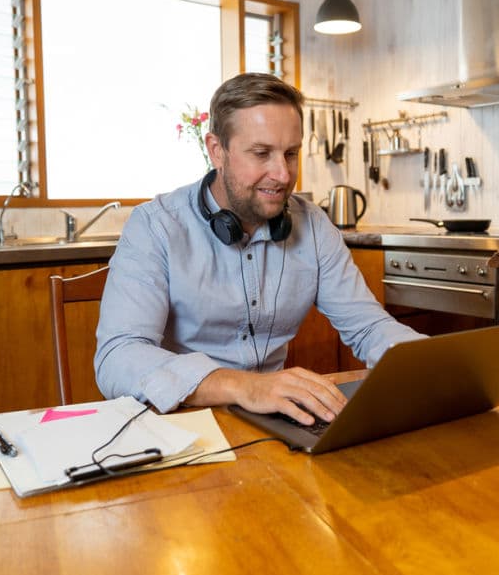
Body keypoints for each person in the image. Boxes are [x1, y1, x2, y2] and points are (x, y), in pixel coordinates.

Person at [95, 73, 423, 425]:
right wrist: (245, 387)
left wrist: (430, 362)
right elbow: (118, 356)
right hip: (181, 423)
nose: (282, 175)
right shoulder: (155, 226)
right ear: (216, 150)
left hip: (276, 423)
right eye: (261, 153)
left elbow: (369, 328)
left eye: (291, 154)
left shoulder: (313, 225)